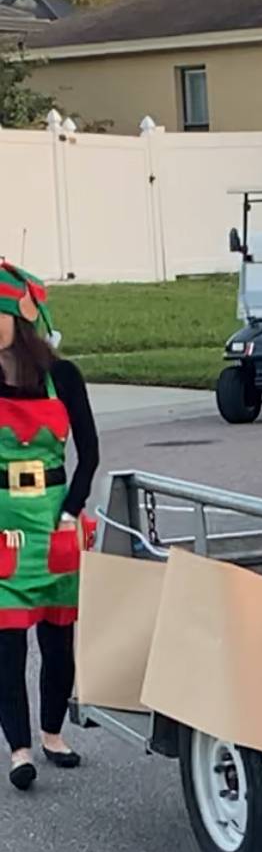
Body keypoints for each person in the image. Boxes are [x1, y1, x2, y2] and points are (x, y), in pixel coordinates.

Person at [0, 262, 100, 792]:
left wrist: (72, 507)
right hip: (4, 525)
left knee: (59, 637)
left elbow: (90, 452)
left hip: (56, 518)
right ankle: (18, 749)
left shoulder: (63, 376)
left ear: (21, 315)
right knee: (8, 641)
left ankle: (52, 732)